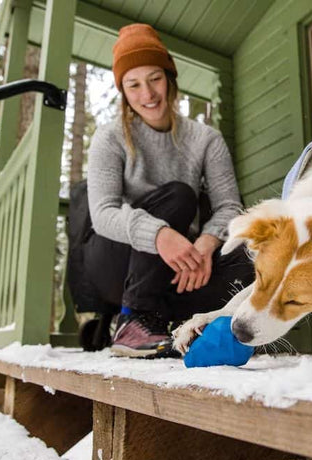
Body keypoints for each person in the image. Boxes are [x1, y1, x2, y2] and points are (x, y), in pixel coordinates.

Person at [82, 23, 253, 358]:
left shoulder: (206, 139)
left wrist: (205, 244)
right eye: (133, 84)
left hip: (183, 266)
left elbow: (231, 207)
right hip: (119, 263)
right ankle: (133, 319)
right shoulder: (110, 136)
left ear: (170, 79)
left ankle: (174, 326)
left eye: (155, 79)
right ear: (124, 91)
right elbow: (102, 214)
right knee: (179, 196)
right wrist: (160, 235)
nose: (147, 94)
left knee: (249, 256)